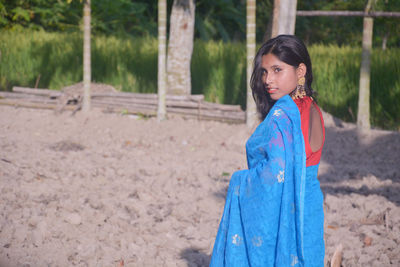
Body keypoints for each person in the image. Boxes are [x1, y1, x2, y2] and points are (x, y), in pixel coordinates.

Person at [210, 35, 325, 266]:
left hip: (286, 206)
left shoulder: (283, 115)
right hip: (309, 205)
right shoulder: (313, 108)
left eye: (277, 70)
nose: (268, 80)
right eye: (264, 72)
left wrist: (239, 181)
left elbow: (274, 173)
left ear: (300, 70)